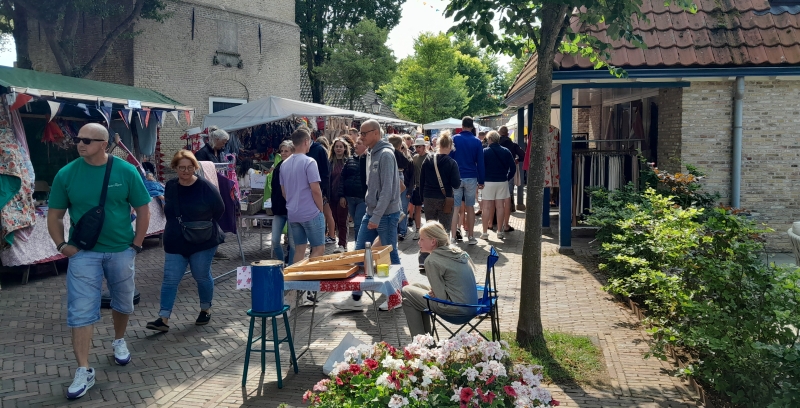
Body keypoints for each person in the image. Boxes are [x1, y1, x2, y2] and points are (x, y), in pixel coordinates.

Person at [46, 123, 151, 399]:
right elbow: (54, 215)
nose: (80, 144)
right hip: (83, 253)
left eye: (87, 140)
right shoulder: (66, 174)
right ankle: (83, 369)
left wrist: (136, 245)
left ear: (104, 144)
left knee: (124, 300)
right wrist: (62, 246)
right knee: (80, 310)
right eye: (77, 139)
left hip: (121, 250)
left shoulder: (126, 171)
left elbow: (142, 209)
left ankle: (119, 340)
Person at [146, 150, 225, 333]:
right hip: (176, 239)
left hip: (203, 239)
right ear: (175, 168)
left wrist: (201, 223)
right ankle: (163, 318)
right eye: (182, 168)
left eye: (190, 167)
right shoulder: (171, 186)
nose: (186, 171)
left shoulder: (205, 186)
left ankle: (205, 308)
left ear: (195, 168)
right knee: (170, 279)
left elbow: (219, 209)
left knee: (201, 275)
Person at [333, 120, 401, 311]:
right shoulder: (370, 153)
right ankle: (355, 298)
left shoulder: (386, 155)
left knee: (390, 253)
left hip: (385, 214)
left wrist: (377, 216)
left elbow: (387, 190)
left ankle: (396, 296)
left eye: (364, 133)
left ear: (376, 133)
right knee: (359, 253)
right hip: (371, 212)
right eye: (360, 134)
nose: (360, 137)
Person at [401, 221, 478, 336]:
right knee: (415, 289)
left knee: (406, 290)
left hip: (456, 310)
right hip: (470, 307)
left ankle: (421, 345)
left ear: (433, 241)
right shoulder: (455, 251)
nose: (418, 242)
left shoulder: (432, 260)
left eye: (422, 239)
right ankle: (425, 343)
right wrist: (436, 291)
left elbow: (441, 299)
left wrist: (436, 292)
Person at [282, 129, 325, 263]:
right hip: (310, 212)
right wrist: (320, 210)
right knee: (318, 248)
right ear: (306, 141)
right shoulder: (309, 162)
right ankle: (308, 279)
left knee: (299, 249)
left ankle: (296, 280)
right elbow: (315, 190)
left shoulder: (284, 164)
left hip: (293, 213)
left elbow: (284, 192)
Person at [449, 116, 485, 245]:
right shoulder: (476, 141)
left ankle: (453, 237)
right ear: (472, 126)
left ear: (462, 125)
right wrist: (481, 180)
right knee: (470, 207)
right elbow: (480, 162)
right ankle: (471, 236)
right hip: (471, 176)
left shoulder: (454, 139)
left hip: (456, 177)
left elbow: (449, 159)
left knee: (456, 207)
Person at [420, 132, 460, 231]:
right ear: (450, 146)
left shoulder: (427, 159)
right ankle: (443, 246)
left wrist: (422, 198)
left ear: (438, 145)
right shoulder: (451, 163)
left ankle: (431, 246)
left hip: (428, 198)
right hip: (445, 199)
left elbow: (421, 180)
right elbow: (456, 184)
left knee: (431, 230)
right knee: (445, 230)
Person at [481, 131, 516, 240]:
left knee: (486, 207)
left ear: (490, 139)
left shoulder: (484, 152)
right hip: (502, 181)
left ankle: (485, 233)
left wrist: (480, 180)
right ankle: (500, 231)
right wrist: (507, 177)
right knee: (500, 207)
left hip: (488, 181)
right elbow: (513, 167)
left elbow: (480, 167)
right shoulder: (506, 151)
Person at [305, 131, 335, 245]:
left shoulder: (319, 150)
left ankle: (329, 236)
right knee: (324, 213)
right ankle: (326, 236)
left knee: (325, 213)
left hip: (320, 189)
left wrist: (324, 190)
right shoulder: (305, 151)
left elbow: (326, 172)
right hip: (315, 190)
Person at [269, 140, 296, 264]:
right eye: (282, 151)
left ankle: (290, 266)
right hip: (279, 210)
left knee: (292, 242)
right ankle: (281, 263)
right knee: (274, 241)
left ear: (292, 152)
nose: (283, 153)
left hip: (292, 210)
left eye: (286, 151)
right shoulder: (278, 166)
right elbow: (274, 189)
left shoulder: (295, 166)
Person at [339, 135, 368, 248]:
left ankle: (358, 248)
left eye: (359, 143)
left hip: (362, 198)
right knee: (356, 223)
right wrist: (342, 195)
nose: (355, 145)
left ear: (366, 146)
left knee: (358, 224)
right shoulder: (350, 159)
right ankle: (359, 247)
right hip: (350, 197)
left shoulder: (369, 160)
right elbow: (342, 177)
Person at [498, 126, 525, 233]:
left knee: (497, 197)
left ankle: (495, 221)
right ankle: (506, 221)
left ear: (500, 133)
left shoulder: (495, 144)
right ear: (507, 134)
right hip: (510, 171)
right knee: (508, 195)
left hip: (497, 172)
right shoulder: (513, 145)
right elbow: (523, 155)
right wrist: (517, 159)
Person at [329, 137, 352, 253]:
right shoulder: (330, 163)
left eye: (340, 146)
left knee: (343, 220)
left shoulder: (348, 162)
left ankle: (343, 244)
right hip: (331, 196)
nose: (338, 148)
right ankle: (340, 243)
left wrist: (345, 195)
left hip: (343, 196)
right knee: (336, 220)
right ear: (333, 148)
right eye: (336, 146)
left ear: (344, 148)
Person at [388, 135, 413, 241]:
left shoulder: (392, 153)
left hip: (398, 177)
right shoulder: (395, 153)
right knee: (397, 203)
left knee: (399, 203)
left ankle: (401, 230)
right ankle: (399, 229)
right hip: (398, 176)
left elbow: (407, 165)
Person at [409, 137, 428, 239]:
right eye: (416, 147)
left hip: (427, 187)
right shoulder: (414, 157)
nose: (417, 148)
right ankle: (417, 229)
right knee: (417, 208)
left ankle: (429, 231)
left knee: (428, 210)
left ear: (424, 147)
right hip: (417, 187)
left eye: (419, 146)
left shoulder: (429, 157)